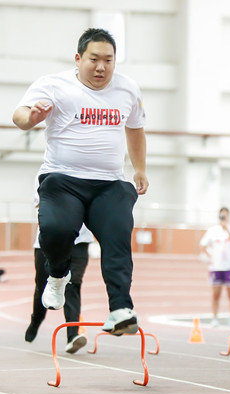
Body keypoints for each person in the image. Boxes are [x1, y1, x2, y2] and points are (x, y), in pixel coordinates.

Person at [12, 28, 148, 336]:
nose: (101, 67)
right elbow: (19, 116)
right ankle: (57, 276)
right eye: (94, 59)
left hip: (109, 184)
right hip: (62, 179)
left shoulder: (128, 89)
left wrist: (139, 168)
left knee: (117, 238)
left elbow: (136, 129)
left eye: (108, 60)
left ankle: (120, 309)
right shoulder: (54, 85)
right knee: (56, 231)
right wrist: (32, 117)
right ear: (78, 59)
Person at [26, 224, 94, 353]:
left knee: (72, 285)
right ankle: (36, 319)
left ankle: (73, 335)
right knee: (42, 286)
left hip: (79, 241)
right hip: (48, 240)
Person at [200, 207, 230, 327]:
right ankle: (215, 317)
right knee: (216, 294)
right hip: (216, 268)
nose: (224, 218)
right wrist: (210, 257)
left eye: (226, 216)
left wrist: (226, 228)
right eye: (222, 216)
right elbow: (202, 245)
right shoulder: (212, 230)